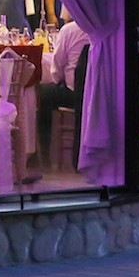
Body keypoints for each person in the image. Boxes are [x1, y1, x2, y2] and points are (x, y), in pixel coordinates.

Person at [36, 17, 89, 168]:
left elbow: (57, 65)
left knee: (43, 95)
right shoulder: (102, 29)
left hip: (73, 92)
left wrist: (58, 81)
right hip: (100, 92)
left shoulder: (69, 30)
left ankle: (44, 154)